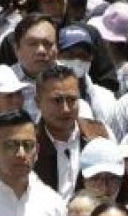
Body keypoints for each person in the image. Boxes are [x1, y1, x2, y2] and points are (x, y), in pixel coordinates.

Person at [33, 64, 111, 201]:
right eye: (57, 101)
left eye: (72, 100)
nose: (66, 109)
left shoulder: (99, 135)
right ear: (37, 102)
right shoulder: (28, 143)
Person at [79, 137, 128, 205]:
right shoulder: (67, 214)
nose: (104, 187)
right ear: (83, 181)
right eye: (95, 178)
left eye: (112, 178)